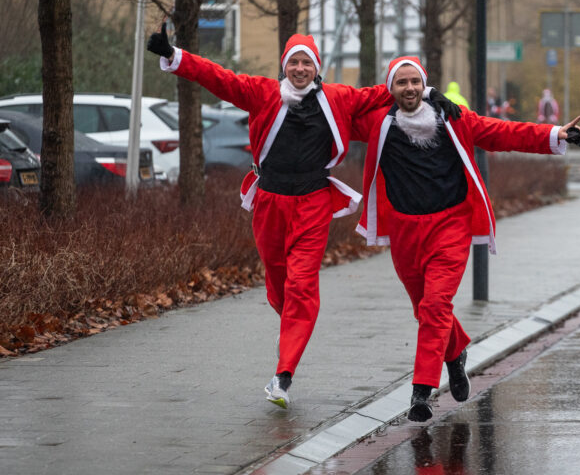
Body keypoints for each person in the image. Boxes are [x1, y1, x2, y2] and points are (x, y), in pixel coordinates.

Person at [147, 26, 459, 409]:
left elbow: (388, 89)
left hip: (312, 202)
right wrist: (174, 55)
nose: (299, 68)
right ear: (284, 67)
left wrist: (427, 93)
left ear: (317, 68)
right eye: (293, 62)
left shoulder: (338, 98)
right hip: (270, 202)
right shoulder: (261, 93)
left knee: (302, 287)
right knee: (278, 285)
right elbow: (218, 78)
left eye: (306, 62)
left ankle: (283, 375)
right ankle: (289, 331)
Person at [352, 56, 580, 421]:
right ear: (390, 89)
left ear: (424, 84)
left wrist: (554, 134)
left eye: (416, 81)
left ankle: (421, 393)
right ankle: (456, 352)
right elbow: (338, 111)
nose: (410, 88)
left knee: (434, 308)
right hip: (405, 231)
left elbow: (503, 133)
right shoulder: (378, 123)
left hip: (450, 227)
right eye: (401, 83)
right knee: (425, 308)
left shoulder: (453, 118)